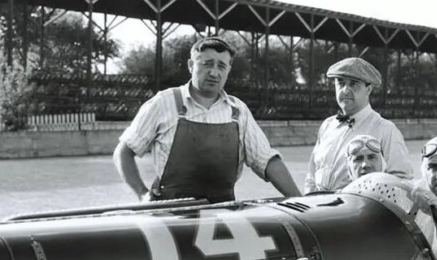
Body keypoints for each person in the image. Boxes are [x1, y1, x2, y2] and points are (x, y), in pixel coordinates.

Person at [113, 36, 301, 203]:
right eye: (207, 64)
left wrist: (300, 202)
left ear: (228, 70)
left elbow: (266, 160)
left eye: (221, 66)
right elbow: (124, 152)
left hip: (223, 215)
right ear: (190, 65)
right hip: (170, 216)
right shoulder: (164, 102)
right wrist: (142, 194)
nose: (214, 72)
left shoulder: (238, 111)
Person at [306, 57, 414, 192]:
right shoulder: (327, 125)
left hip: (358, 209)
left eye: (354, 84)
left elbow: (401, 180)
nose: (345, 90)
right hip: (319, 208)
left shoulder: (385, 130)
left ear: (368, 89)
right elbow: (311, 174)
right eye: (340, 83)